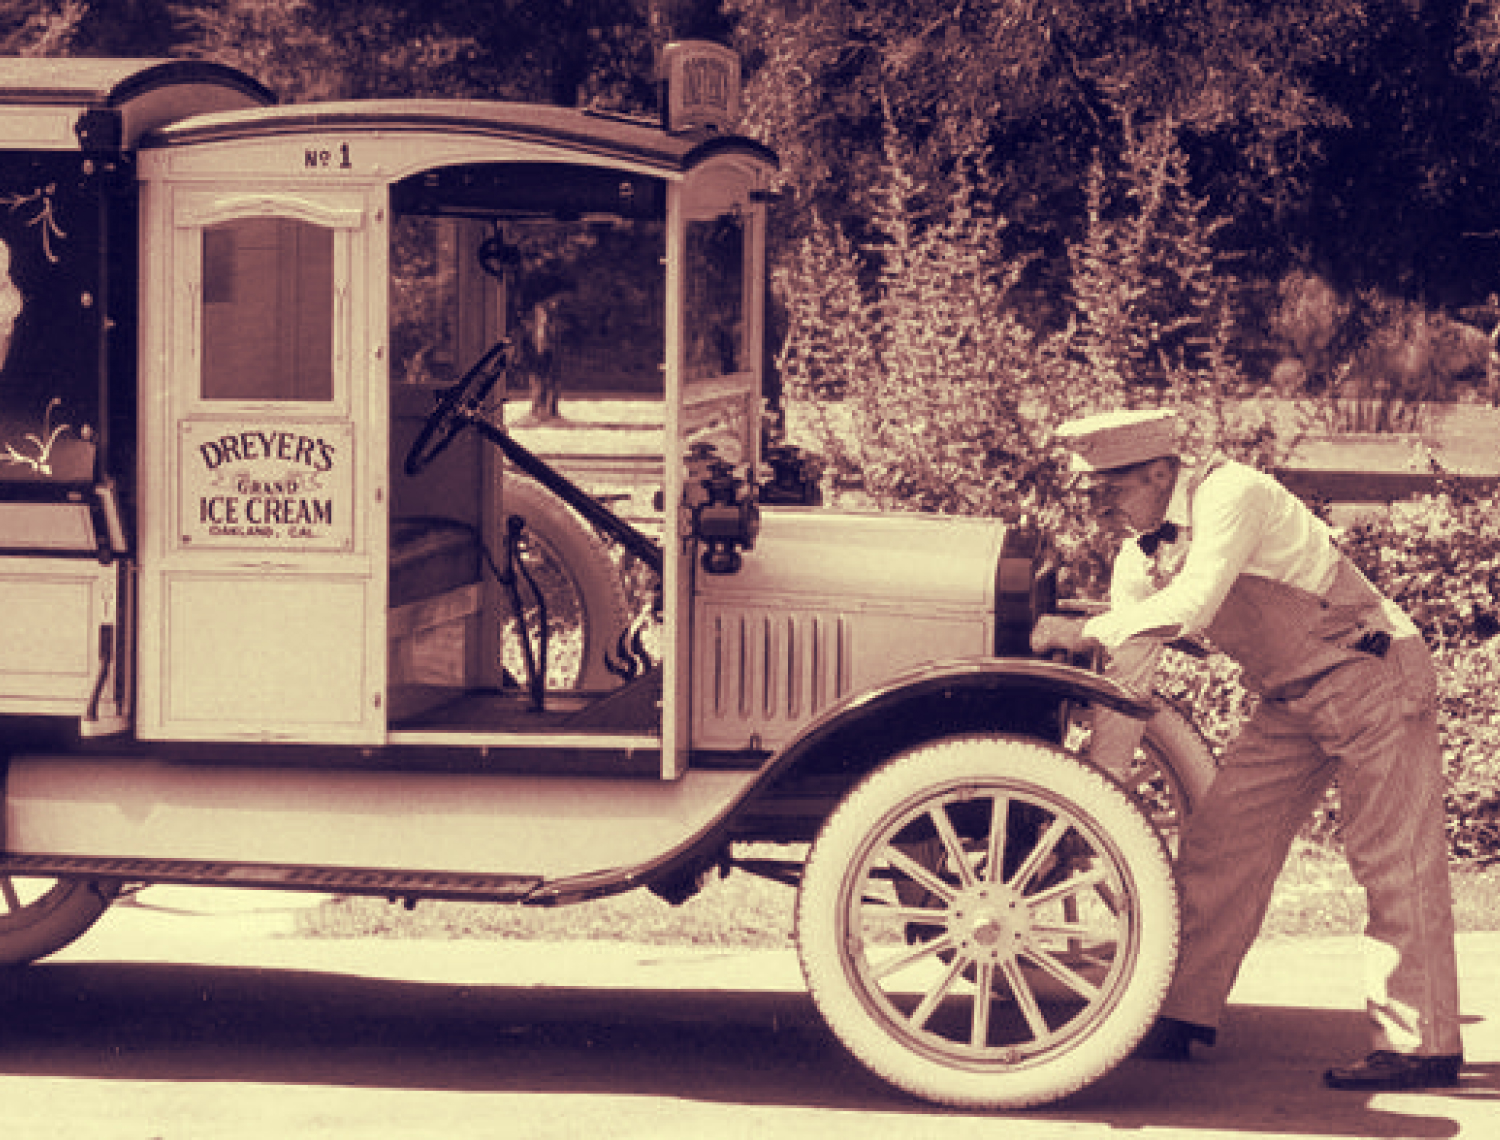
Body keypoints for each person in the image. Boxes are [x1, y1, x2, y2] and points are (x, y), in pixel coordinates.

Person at [1031, 407, 1464, 1092]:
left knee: (1392, 857)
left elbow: (1197, 602)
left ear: (1156, 471)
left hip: (1373, 676)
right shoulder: (1135, 562)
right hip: (1291, 699)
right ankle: (1177, 1012)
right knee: (1220, 843)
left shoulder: (1233, 493)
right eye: (1091, 495)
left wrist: (1080, 631)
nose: (1100, 508)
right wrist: (1093, 806)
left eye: (1109, 491)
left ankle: (1421, 1045)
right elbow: (1127, 689)